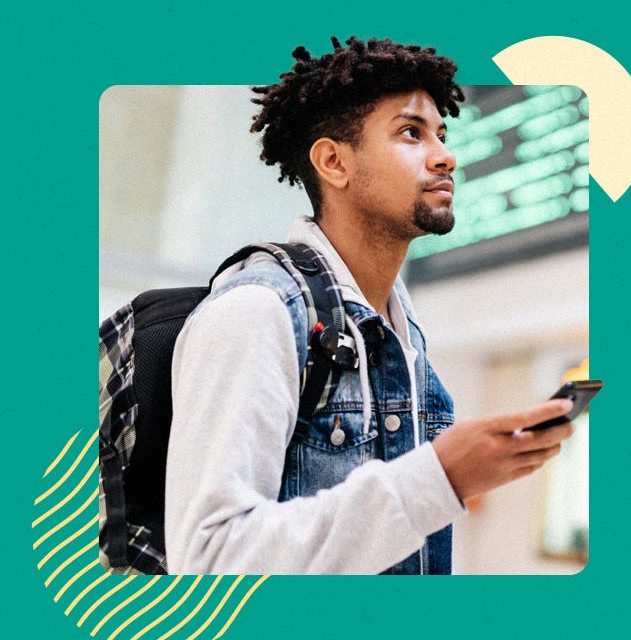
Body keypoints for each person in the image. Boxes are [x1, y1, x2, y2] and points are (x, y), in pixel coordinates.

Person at [164, 37, 575, 574]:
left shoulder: (400, 334)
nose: (446, 155)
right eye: (411, 132)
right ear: (334, 161)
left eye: (442, 134)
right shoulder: (256, 313)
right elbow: (209, 560)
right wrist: (440, 478)